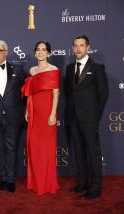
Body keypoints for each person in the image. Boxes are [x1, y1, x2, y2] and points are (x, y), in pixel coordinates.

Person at [65, 35, 108, 200]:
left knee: (92, 152)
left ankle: (95, 188)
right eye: (75, 46)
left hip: (89, 118)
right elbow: (70, 94)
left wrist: (95, 116)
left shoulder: (97, 68)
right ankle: (82, 183)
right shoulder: (69, 69)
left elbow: (103, 94)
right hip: (73, 117)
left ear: (88, 47)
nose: (78, 49)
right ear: (72, 48)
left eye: (81, 45)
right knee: (79, 152)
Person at [0, 40, 25, 193]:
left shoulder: (19, 69)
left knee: (11, 149)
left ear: (6, 52)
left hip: (13, 116)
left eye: (0, 50)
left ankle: (11, 179)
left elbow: (26, 92)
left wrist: (25, 110)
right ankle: (3, 178)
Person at [21, 41, 60, 195]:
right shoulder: (32, 70)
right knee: (35, 148)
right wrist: (27, 109)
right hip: (34, 112)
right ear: (35, 52)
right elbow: (29, 92)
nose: (41, 52)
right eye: (38, 49)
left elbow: (56, 93)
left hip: (47, 112)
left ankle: (47, 183)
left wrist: (53, 113)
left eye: (44, 50)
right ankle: (36, 182)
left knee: (47, 148)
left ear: (48, 53)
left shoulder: (53, 69)